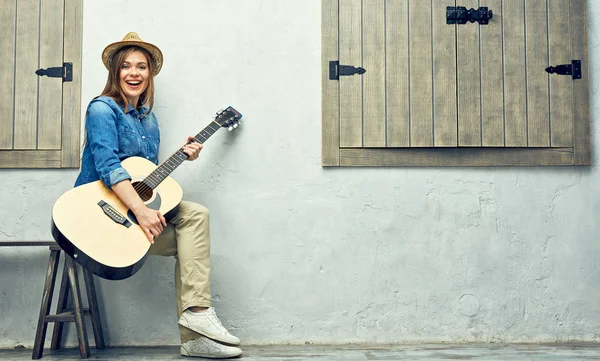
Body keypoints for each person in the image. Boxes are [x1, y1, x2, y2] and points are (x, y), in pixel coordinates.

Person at [74, 32, 242, 359]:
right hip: (93, 219)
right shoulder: (101, 109)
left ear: (150, 74)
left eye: (141, 67)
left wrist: (183, 155)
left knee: (194, 217)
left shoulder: (150, 122)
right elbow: (110, 167)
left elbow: (143, 176)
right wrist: (143, 210)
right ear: (115, 73)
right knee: (189, 232)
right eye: (126, 67)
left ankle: (196, 325)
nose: (134, 73)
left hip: (129, 220)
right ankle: (195, 326)